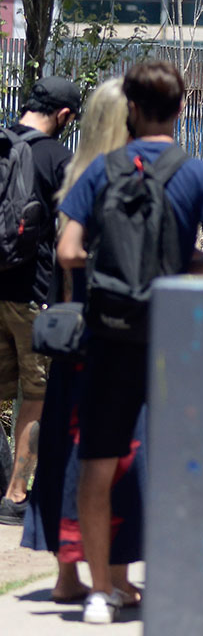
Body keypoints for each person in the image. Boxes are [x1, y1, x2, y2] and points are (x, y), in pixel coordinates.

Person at [57, 61, 203, 623]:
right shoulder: (196, 175)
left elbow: (69, 251)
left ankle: (101, 591)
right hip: (175, 342)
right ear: (180, 110)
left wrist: (114, 269)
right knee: (180, 460)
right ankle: (179, 575)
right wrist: (182, 265)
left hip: (107, 337)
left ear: (130, 107)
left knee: (98, 462)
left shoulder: (100, 172)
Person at [21, 79, 138, 605]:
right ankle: (112, 575)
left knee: (65, 454)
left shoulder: (73, 174)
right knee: (110, 457)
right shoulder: (118, 180)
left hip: (68, 335)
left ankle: (68, 576)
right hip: (108, 337)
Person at [0, 77, 79, 527]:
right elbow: (69, 235)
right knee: (36, 394)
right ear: (65, 116)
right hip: (32, 298)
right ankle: (15, 494)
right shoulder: (58, 159)